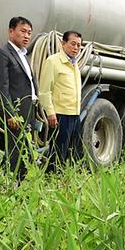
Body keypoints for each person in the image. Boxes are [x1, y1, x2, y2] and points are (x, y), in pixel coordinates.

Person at [0, 16, 37, 179]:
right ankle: (14, 184)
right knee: (16, 151)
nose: (26, 36)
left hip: (28, 109)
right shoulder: (2, 53)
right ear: (11, 31)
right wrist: (10, 114)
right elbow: (1, 87)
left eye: (29, 33)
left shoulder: (24, 55)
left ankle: (23, 184)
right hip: (15, 112)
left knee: (27, 149)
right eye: (22, 31)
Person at [38, 30, 83, 169]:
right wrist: (51, 113)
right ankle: (52, 180)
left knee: (73, 151)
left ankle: (66, 180)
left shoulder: (74, 64)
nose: (76, 48)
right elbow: (44, 91)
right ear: (63, 43)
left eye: (79, 45)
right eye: (72, 44)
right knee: (58, 153)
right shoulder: (53, 61)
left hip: (75, 114)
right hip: (60, 115)